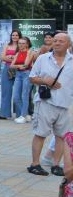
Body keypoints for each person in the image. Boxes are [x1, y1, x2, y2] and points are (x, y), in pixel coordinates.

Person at [27, 32, 72, 177]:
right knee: (40, 134)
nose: (57, 43)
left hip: (65, 104)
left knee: (61, 136)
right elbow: (32, 78)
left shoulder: (72, 60)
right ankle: (35, 164)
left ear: (68, 44)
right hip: (45, 102)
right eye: (55, 40)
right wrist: (45, 80)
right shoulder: (43, 58)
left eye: (61, 41)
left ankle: (56, 165)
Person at [9, 36, 35, 122]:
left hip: (27, 74)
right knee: (16, 97)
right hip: (18, 75)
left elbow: (26, 65)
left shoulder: (30, 52)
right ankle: (25, 114)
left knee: (25, 95)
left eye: (23, 43)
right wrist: (19, 66)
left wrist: (17, 66)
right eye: (19, 43)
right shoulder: (17, 53)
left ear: (27, 44)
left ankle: (23, 116)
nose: (21, 45)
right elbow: (11, 66)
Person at [0, 30, 22, 120]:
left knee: (18, 92)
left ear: (19, 36)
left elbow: (23, 58)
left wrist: (10, 58)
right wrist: (14, 58)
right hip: (7, 69)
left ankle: (20, 114)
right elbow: (2, 57)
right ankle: (4, 114)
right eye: (13, 35)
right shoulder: (7, 45)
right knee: (6, 91)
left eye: (16, 35)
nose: (14, 37)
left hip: (19, 69)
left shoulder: (22, 45)